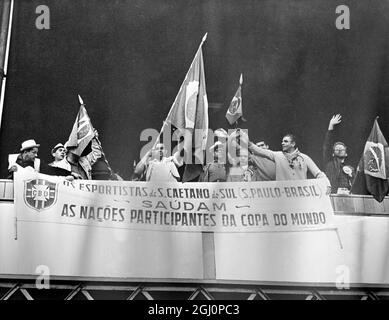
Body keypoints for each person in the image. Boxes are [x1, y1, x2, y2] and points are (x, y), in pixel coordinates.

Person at [248, 133, 330, 186]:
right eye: (282, 141)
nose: (282, 143)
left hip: (301, 198)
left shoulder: (304, 158)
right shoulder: (277, 156)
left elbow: (318, 174)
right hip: (283, 198)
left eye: (286, 141)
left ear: (293, 144)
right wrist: (245, 140)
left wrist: (327, 184)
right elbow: (257, 150)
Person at [8, 139, 73, 179]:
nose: (36, 155)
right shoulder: (11, 160)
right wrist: (11, 175)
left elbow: (53, 170)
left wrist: (71, 173)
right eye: (34, 152)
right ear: (25, 152)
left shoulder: (38, 163)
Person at [323, 114, 355, 194]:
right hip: (334, 194)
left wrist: (351, 176)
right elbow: (327, 146)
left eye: (342, 149)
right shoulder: (329, 163)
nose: (340, 150)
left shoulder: (351, 168)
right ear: (333, 154)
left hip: (349, 194)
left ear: (346, 154)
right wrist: (331, 126)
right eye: (337, 149)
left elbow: (356, 183)